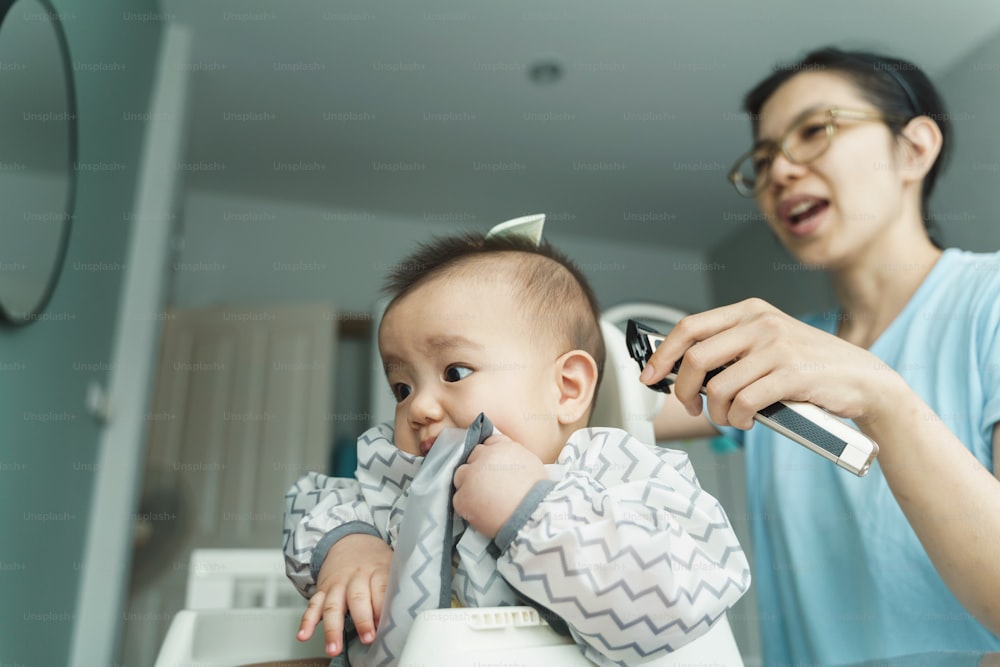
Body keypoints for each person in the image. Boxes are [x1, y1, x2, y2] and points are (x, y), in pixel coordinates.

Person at [642, 46, 1000, 665]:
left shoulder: (989, 305)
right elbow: (598, 404)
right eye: (762, 159)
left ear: (914, 148)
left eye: (814, 131)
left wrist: (882, 396)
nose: (779, 171)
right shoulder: (769, 354)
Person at [283, 232, 750, 666]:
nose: (419, 407)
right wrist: (351, 548)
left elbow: (678, 595)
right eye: (402, 387)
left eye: (455, 373)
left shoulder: (611, 472)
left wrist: (530, 511)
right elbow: (313, 502)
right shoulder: (404, 479)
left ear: (566, 389)